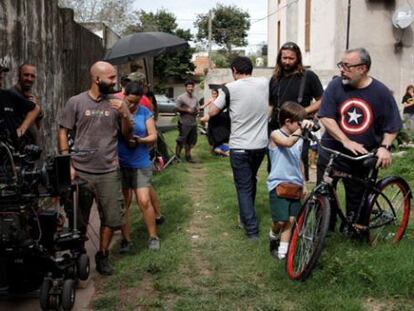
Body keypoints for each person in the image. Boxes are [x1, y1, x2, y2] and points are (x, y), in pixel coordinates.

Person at [58, 61, 132, 275]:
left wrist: (125, 112)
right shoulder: (76, 102)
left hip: (109, 171)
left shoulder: (117, 104)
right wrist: (67, 162)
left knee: (111, 218)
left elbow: (127, 135)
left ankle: (102, 255)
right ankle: (79, 253)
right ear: (96, 79)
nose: (115, 81)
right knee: (78, 219)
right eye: (111, 77)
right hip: (80, 171)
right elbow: (63, 131)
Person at [317, 47, 402, 234]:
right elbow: (325, 117)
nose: (341, 69)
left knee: (357, 203)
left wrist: (385, 147)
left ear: (362, 68)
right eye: (341, 64)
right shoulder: (335, 86)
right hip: (332, 152)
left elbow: (392, 125)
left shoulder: (381, 92)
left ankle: (353, 230)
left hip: (360, 157)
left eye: (346, 66)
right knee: (323, 195)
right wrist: (345, 140)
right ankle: (322, 233)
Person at [208, 56, 268, 240]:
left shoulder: (230, 89)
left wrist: (224, 92)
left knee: (243, 187)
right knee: (251, 181)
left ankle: (251, 230)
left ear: (234, 70)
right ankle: (245, 216)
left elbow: (212, 112)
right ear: (251, 69)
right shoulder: (264, 83)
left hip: (240, 146)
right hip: (260, 145)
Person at [269, 42, 324, 180]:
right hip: (277, 128)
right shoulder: (275, 79)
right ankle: (277, 195)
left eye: (291, 58)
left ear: (298, 58)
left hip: (299, 128)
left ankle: (300, 195)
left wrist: (304, 111)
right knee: (274, 164)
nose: (287, 61)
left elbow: (322, 100)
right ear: (279, 58)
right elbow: (270, 104)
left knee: (298, 163)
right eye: (284, 58)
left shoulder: (308, 76)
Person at [117, 82, 161, 252]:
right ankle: (126, 240)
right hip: (121, 163)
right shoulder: (117, 112)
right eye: (130, 101)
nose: (133, 105)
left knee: (143, 200)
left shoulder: (145, 113)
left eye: (136, 101)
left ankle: (153, 236)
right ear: (124, 95)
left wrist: (140, 140)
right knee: (124, 203)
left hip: (140, 162)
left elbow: (153, 136)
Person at [267, 102, 312, 259]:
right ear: (287, 122)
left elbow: (298, 161)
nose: (301, 126)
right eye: (299, 122)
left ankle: (282, 253)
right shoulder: (275, 135)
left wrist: (303, 183)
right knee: (280, 220)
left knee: (291, 220)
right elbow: (287, 143)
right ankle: (273, 235)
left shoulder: (298, 139)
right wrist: (303, 129)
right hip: (278, 184)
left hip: (295, 185)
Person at [0, 64, 41, 147]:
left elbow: (36, 114)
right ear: (19, 75)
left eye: (32, 76)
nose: (29, 79)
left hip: (25, 149)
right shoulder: (11, 94)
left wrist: (21, 130)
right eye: (26, 75)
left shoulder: (6, 95)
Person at [200, 88, 230, 157]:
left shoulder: (219, 100)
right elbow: (204, 105)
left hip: (217, 117)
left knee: (215, 131)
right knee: (202, 120)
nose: (214, 95)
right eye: (213, 93)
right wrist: (200, 107)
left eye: (215, 93)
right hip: (210, 115)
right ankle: (204, 129)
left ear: (217, 94)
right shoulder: (211, 100)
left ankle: (216, 148)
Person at [175, 80, 199, 163]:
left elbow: (197, 109)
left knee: (190, 141)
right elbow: (176, 108)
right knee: (181, 140)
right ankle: (177, 156)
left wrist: (196, 111)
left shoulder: (195, 98)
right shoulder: (181, 97)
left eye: (192, 86)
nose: (191, 88)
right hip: (184, 123)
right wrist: (187, 110)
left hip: (193, 122)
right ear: (186, 88)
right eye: (189, 87)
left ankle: (188, 157)